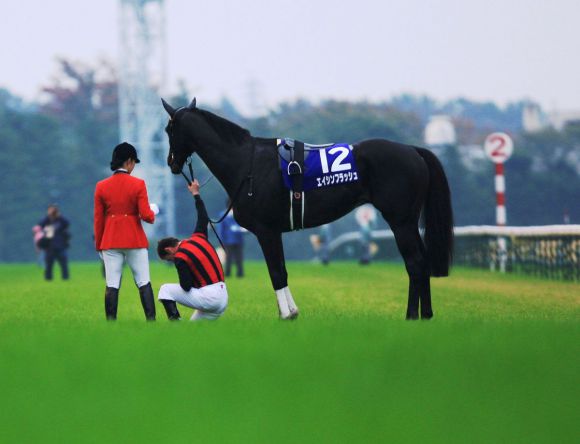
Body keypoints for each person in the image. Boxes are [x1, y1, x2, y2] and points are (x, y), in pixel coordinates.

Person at [94, 142, 157, 321]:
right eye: (134, 162)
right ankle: (151, 322)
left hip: (110, 241)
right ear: (129, 161)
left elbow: (98, 219)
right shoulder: (138, 184)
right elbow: (146, 215)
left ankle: (111, 324)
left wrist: (99, 245)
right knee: (143, 282)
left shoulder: (101, 186)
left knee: (112, 284)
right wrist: (154, 212)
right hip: (134, 240)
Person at [157, 180, 228, 321]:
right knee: (191, 334)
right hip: (223, 298)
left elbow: (186, 287)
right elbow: (203, 216)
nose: (172, 261)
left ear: (169, 249)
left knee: (164, 290)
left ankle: (175, 324)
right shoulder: (199, 236)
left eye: (169, 259)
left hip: (209, 297)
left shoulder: (180, 256)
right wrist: (196, 194)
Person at [38, 204, 70, 280]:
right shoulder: (47, 220)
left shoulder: (60, 220)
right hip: (49, 246)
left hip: (60, 245)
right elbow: (41, 225)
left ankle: (65, 279)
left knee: (64, 264)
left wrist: (59, 216)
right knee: (49, 264)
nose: (53, 212)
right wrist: (49, 216)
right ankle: (48, 279)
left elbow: (67, 224)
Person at [219, 199, 245, 277]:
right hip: (228, 240)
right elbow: (221, 230)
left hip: (238, 239)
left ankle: (240, 273)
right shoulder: (223, 215)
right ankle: (227, 273)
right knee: (228, 258)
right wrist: (222, 241)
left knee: (239, 258)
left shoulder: (239, 214)